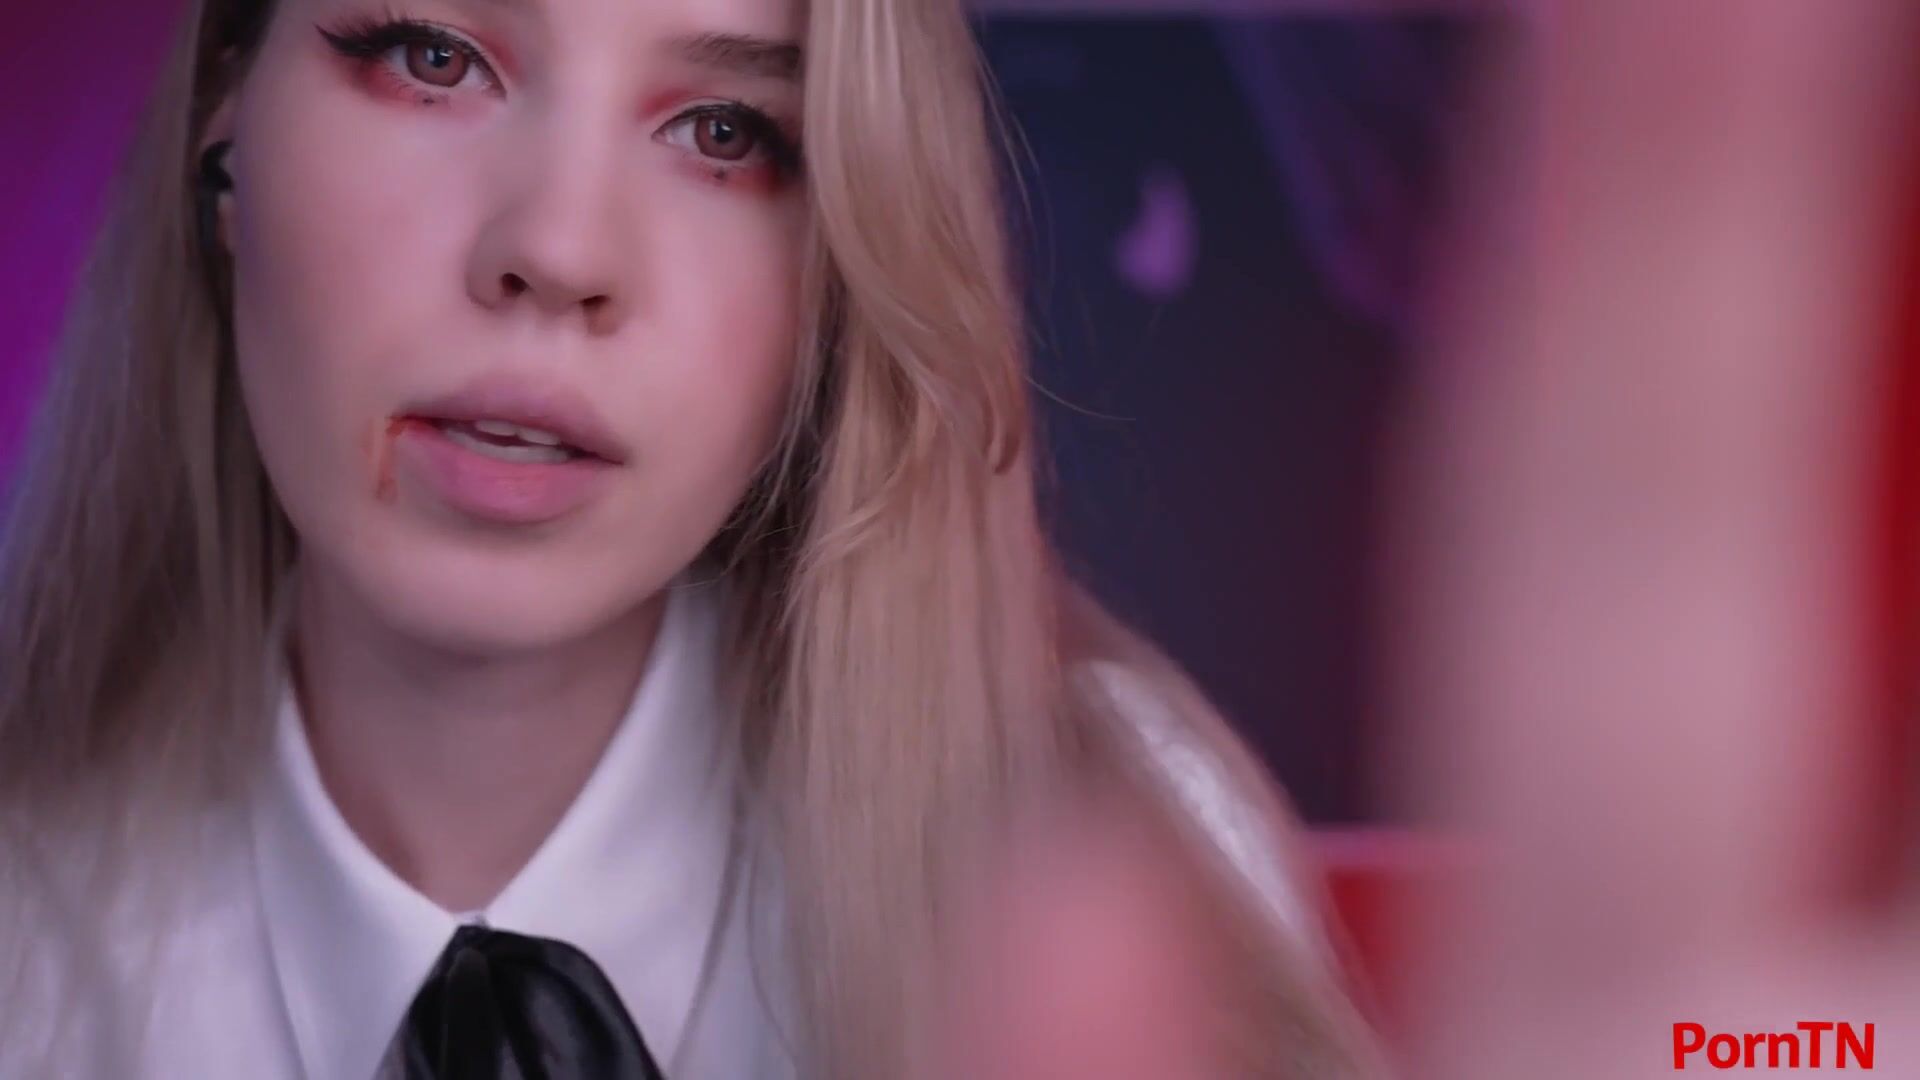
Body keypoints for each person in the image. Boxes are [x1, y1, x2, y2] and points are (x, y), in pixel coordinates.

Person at [0, 0, 1381, 1077]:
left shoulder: (1103, 860)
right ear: (226, 127)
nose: (560, 250)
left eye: (725, 132)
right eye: (435, 58)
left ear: (846, 253)